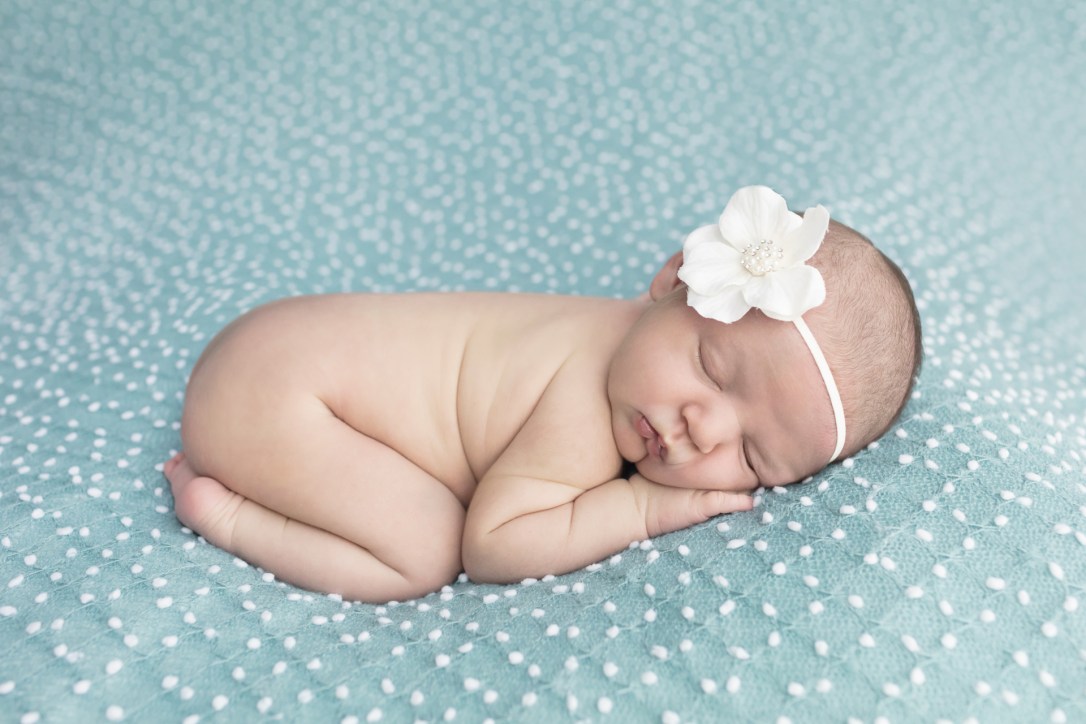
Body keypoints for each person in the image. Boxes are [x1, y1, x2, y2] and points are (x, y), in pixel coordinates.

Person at [163, 186, 922, 604]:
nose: (702, 429)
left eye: (752, 454)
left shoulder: (631, 332)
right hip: (277, 401)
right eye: (714, 369)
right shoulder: (582, 414)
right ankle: (224, 512)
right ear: (674, 279)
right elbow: (492, 547)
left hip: (273, 339)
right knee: (425, 551)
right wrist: (637, 509)